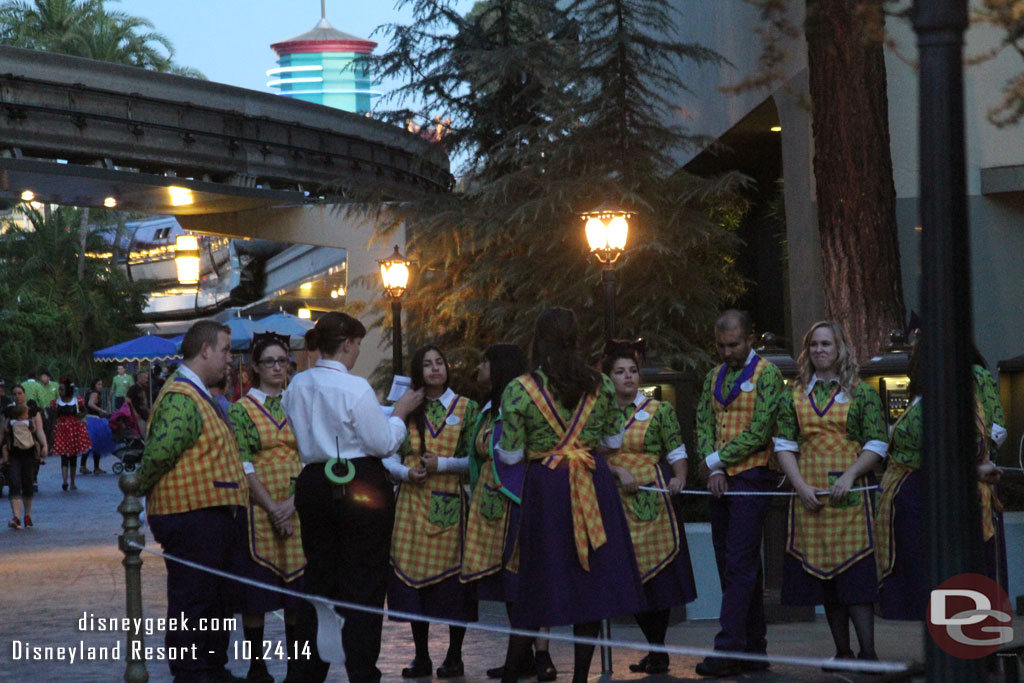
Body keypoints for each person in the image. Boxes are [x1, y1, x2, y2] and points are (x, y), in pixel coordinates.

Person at [495, 307, 645, 683]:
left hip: (547, 491)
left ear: (539, 339)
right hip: (591, 485)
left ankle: (513, 674)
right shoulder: (601, 385)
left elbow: (510, 454)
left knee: (536, 583)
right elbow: (612, 441)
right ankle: (581, 677)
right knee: (590, 583)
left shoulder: (519, 389)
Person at [282, 312, 424, 683]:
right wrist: (400, 414)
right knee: (363, 578)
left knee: (319, 576)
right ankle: (361, 669)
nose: (359, 350)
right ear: (347, 344)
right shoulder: (355, 387)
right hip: (357, 479)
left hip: (314, 479)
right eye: (358, 344)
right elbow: (382, 442)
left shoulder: (297, 384)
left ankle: (308, 669)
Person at [135, 320, 250, 683]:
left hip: (210, 515)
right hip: (194, 516)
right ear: (205, 351)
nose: (229, 359)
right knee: (195, 602)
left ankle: (211, 669)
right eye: (226, 350)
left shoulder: (196, 393)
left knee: (215, 600)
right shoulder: (182, 397)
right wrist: (136, 487)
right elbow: (158, 454)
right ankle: (192, 672)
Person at [774, 320, 888, 668]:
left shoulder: (861, 392)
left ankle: (868, 654)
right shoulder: (792, 395)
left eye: (826, 344)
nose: (820, 350)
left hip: (850, 495)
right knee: (825, 579)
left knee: (856, 579)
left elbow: (877, 442)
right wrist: (800, 485)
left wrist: (852, 474)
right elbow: (784, 444)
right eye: (814, 345)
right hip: (811, 495)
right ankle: (842, 652)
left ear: (840, 349)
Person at [876, 342, 1006, 619]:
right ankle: (964, 653)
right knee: (948, 587)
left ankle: (969, 654)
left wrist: (979, 467)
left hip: (937, 498)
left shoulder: (954, 401)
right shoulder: (942, 399)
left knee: (955, 583)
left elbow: (950, 452)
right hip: (929, 498)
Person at [693, 310, 785, 677]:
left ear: (749, 339)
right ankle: (754, 646)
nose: (726, 351)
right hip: (720, 478)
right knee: (730, 561)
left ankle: (729, 646)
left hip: (753, 476)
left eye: (733, 344)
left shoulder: (768, 374)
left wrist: (718, 460)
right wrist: (712, 467)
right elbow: (703, 421)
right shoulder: (712, 376)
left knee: (740, 561)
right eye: (720, 345)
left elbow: (762, 428)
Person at [460, 344, 557, 681]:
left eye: (485, 360)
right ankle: (523, 656)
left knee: (523, 580)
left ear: (499, 367)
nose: (479, 366)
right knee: (508, 585)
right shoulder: (488, 408)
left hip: (515, 500)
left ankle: (532, 656)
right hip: (491, 504)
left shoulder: (519, 405)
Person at [384, 344, 480, 679]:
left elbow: (476, 459)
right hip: (411, 502)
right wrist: (404, 473)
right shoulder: (408, 408)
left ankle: (454, 656)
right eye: (427, 364)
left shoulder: (468, 408)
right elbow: (389, 454)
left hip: (451, 502)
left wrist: (444, 464)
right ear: (417, 370)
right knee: (414, 585)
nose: (435, 368)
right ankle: (421, 655)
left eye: (440, 362)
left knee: (456, 586)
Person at [603, 340, 697, 675]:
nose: (627, 377)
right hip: (614, 501)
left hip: (655, 501)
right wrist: (616, 470)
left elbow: (676, 451)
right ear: (608, 377)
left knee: (658, 581)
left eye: (632, 371)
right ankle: (655, 650)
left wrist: (680, 478)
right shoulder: (600, 413)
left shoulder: (659, 411)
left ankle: (657, 651)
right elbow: (588, 454)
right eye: (619, 372)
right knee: (628, 577)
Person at [227, 332, 305, 683]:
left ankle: (295, 666)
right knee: (256, 590)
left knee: (295, 588)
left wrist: (291, 504)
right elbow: (243, 464)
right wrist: (274, 508)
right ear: (255, 368)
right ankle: (257, 664)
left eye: (283, 361)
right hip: (259, 508)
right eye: (270, 362)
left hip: (298, 504)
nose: (278, 367)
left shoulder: (299, 403)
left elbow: (313, 456)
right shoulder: (242, 410)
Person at [3, 397, 44, 529]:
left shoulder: (12, 422)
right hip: (20, 454)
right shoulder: (27, 422)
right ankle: (17, 516)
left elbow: (5, 430)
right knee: (16, 483)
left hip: (24, 455)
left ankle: (26, 515)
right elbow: (34, 430)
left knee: (26, 484)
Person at [51, 378, 92, 491]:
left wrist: (80, 415)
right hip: (62, 430)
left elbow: (85, 410)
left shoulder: (77, 401)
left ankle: (72, 481)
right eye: (59, 389)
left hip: (74, 430)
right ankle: (65, 481)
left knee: (73, 457)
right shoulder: (57, 402)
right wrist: (54, 430)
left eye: (62, 389)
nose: (60, 391)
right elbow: (55, 417)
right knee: (64, 456)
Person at [84, 378, 113, 474]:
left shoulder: (89, 393)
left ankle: (84, 466)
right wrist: (102, 410)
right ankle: (95, 467)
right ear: (94, 385)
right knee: (97, 443)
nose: (100, 386)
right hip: (94, 420)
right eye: (98, 384)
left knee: (90, 445)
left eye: (101, 384)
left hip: (89, 419)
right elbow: (90, 404)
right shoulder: (94, 394)